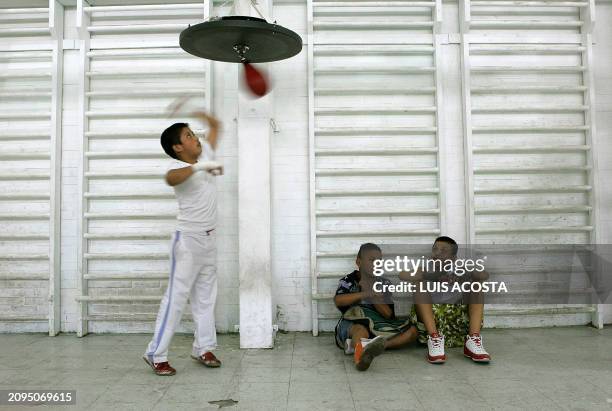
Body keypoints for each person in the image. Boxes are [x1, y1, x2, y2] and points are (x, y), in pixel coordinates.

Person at [143, 111, 223, 376]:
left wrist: (196, 113)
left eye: (193, 133)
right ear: (178, 147)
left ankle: (204, 347)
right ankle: (156, 354)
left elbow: (215, 126)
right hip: (187, 242)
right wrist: (201, 167)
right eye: (189, 135)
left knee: (205, 298)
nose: (196, 137)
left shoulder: (206, 152)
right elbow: (170, 179)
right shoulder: (180, 170)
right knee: (175, 300)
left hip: (209, 240)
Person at [400, 236, 491, 364]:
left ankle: (473, 339)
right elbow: (402, 275)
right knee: (418, 284)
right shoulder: (426, 269)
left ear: (453, 258)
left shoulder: (460, 269)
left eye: (443, 251)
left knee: (476, 284)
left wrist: (466, 274)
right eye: (435, 249)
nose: (438, 253)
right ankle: (434, 339)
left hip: (456, 325)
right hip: (432, 324)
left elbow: (484, 275)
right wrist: (433, 276)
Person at [334, 243, 418, 371]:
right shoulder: (349, 280)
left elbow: (387, 314)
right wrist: (364, 293)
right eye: (371, 260)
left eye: (379, 261)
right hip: (353, 323)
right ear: (358, 262)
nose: (376, 264)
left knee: (413, 332)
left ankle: (369, 346)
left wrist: (372, 294)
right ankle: (360, 358)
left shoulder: (384, 283)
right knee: (360, 331)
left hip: (378, 324)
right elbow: (338, 301)